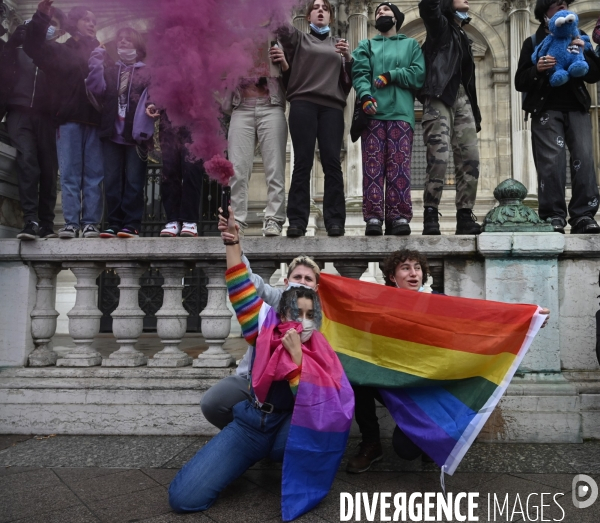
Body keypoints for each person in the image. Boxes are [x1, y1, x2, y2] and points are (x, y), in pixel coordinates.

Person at [168, 207, 351, 518]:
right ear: (281, 309)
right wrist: (232, 244)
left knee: (300, 438)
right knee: (183, 499)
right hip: (252, 424)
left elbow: (327, 408)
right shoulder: (263, 325)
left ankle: (276, 457)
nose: (302, 322)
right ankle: (241, 457)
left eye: (310, 316)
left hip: (290, 427)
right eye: (296, 313)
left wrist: (297, 362)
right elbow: (242, 284)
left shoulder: (322, 347)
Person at [347, 249, 551, 473]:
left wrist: (528, 320)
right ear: (393, 277)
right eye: (405, 268)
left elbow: (481, 320)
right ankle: (371, 444)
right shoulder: (381, 308)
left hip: (431, 387)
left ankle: (433, 435)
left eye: (417, 268)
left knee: (406, 450)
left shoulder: (440, 303)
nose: (413, 273)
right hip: (396, 385)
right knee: (357, 374)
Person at [201, 205, 321, 428]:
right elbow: (246, 280)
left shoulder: (321, 319)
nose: (302, 282)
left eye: (308, 279)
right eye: (297, 277)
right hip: (252, 381)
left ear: (316, 287)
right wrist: (234, 243)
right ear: (286, 283)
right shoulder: (274, 300)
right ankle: (247, 431)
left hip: (295, 388)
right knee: (212, 403)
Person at [515, 0, 600, 234]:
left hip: (577, 109)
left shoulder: (580, 35)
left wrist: (583, 52)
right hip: (546, 111)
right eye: (556, 6)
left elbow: (594, 74)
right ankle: (553, 215)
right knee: (551, 163)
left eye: (564, 4)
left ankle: (584, 215)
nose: (563, 9)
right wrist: (538, 70)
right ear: (545, 14)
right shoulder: (532, 43)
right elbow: (519, 81)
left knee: (584, 158)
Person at [24, 0, 103, 239]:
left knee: (93, 176)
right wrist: (41, 17)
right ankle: (71, 223)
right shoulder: (60, 50)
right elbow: (33, 46)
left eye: (94, 21)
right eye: (86, 19)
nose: (91, 24)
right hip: (68, 120)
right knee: (69, 174)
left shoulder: (100, 53)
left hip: (95, 122)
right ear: (75, 22)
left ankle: (90, 223)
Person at [277, 0, 353, 237]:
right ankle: (298, 221)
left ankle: (335, 221)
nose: (321, 10)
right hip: (303, 104)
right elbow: (279, 25)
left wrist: (348, 58)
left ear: (330, 17)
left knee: (332, 163)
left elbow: (348, 82)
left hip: (332, 108)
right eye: (316, 7)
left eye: (325, 8)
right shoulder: (299, 39)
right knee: (302, 163)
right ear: (308, 16)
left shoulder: (339, 45)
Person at [352, 2, 425, 236]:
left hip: (402, 115)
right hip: (373, 114)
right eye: (378, 11)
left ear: (397, 17)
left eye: (386, 10)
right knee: (372, 167)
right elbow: (360, 73)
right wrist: (365, 96)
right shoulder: (366, 45)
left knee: (399, 167)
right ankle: (373, 217)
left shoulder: (411, 45)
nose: (381, 13)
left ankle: (399, 217)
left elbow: (418, 75)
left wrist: (391, 75)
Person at [418, 0, 482, 236]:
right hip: (439, 94)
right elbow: (428, 8)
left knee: (470, 158)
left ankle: (465, 215)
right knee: (439, 156)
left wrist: (475, 113)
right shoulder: (440, 27)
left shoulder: (462, 34)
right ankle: (431, 213)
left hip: (462, 97)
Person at [0, 9, 65, 240]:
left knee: (49, 169)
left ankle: (47, 224)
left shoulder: (59, 53)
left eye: (53, 24)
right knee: (27, 159)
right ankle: (30, 220)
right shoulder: (15, 48)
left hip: (48, 117)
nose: (48, 26)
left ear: (59, 31)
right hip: (18, 112)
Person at [86, 27, 154, 239]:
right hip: (111, 134)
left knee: (134, 181)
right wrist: (96, 60)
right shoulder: (110, 70)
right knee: (112, 181)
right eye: (120, 39)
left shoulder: (147, 72)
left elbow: (153, 96)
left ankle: (132, 224)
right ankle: (114, 223)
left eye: (129, 40)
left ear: (138, 46)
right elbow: (96, 89)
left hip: (135, 136)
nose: (123, 42)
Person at [226, 43, 289, 237]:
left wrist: (284, 63)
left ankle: (274, 219)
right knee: (237, 169)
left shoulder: (278, 39)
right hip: (242, 107)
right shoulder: (233, 39)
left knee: (274, 168)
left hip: (271, 105)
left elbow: (296, 80)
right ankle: (237, 221)